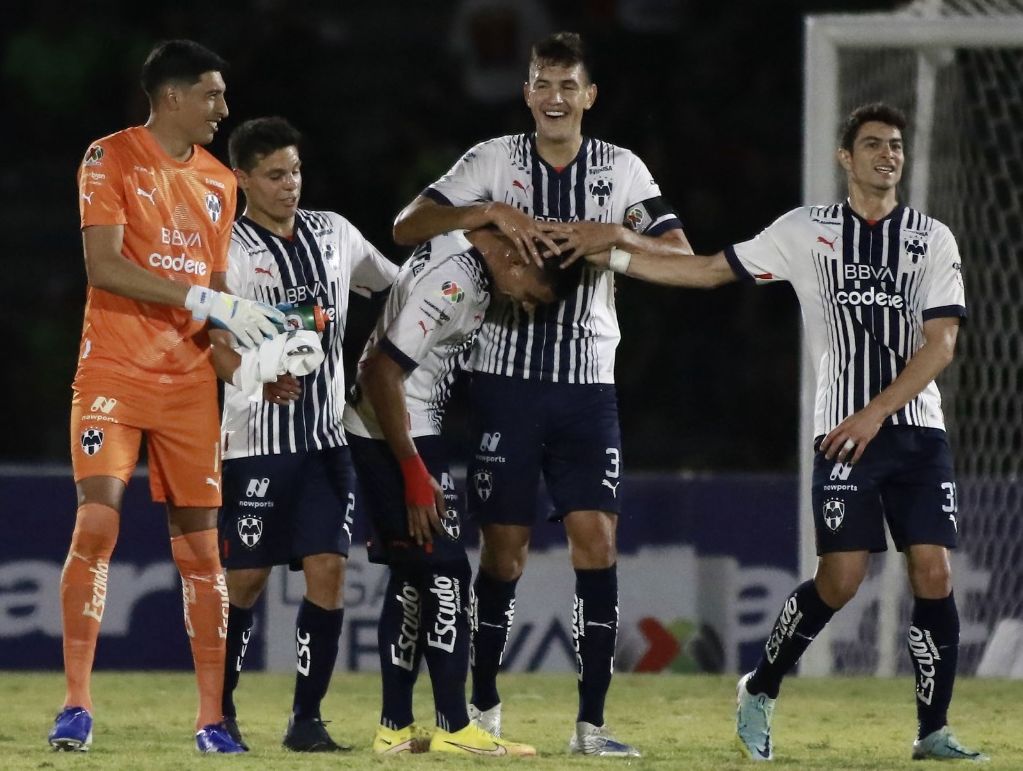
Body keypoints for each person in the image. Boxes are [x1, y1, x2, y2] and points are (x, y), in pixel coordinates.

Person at [570, 102, 985, 763]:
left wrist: (876, 411)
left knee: (932, 572)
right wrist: (616, 260)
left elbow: (940, 345)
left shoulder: (929, 238)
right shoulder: (805, 231)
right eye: (872, 144)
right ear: (845, 158)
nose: (887, 154)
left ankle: (931, 731)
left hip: (912, 431)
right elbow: (706, 269)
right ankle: (760, 687)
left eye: (896, 146)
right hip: (840, 434)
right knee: (841, 578)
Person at [392, 31, 692, 758]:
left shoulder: (620, 170)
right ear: (526, 93)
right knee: (505, 552)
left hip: (588, 388)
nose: (554, 98)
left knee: (598, 542)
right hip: (504, 383)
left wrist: (613, 238)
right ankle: (485, 707)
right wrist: (489, 215)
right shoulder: (493, 161)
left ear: (589, 96)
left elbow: (680, 255)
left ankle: (591, 724)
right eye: (541, 84)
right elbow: (407, 225)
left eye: (567, 86)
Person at [51, 40, 284, 754]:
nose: (224, 109)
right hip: (114, 374)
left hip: (186, 385)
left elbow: (211, 307)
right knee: (97, 524)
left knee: (203, 554)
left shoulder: (220, 181)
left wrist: (247, 364)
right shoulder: (109, 157)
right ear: (173, 97)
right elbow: (104, 265)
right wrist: (203, 295)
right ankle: (76, 705)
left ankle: (211, 719)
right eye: (212, 95)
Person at [343, 228, 579, 757]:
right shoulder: (454, 283)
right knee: (447, 572)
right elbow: (380, 369)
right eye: (532, 295)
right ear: (516, 262)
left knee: (412, 577)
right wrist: (412, 474)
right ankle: (453, 726)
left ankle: (394, 730)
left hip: (391, 429)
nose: (524, 306)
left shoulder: (455, 244)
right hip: (398, 433)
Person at [207, 116, 399, 752]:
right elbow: (209, 341)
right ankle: (220, 713)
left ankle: (306, 720)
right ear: (242, 179)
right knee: (248, 581)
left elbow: (394, 287)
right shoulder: (224, 248)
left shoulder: (335, 233)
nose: (290, 185)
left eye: (295, 172)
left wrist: (382, 359)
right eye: (274, 175)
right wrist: (252, 378)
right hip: (253, 442)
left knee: (328, 570)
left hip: (325, 442)